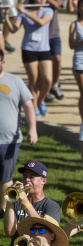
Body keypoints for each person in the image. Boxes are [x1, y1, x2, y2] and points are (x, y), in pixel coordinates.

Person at [4, 162, 59, 246]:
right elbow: (9, 232)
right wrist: (10, 201)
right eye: (24, 177)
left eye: (32, 177)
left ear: (44, 181)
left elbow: (44, 232)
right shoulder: (17, 202)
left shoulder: (51, 206)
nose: (26, 180)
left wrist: (26, 203)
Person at [5, 0, 53, 116]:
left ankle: (41, 99)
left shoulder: (48, 10)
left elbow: (41, 22)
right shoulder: (23, 11)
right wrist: (6, 16)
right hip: (28, 49)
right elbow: (13, 29)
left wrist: (24, 12)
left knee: (47, 79)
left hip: (44, 49)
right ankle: (34, 105)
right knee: (34, 80)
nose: (41, 1)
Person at [0, 52, 36, 201]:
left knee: (5, 177)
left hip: (9, 140)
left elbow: (28, 106)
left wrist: (32, 129)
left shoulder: (15, 81)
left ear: (3, 62)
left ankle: (2, 208)